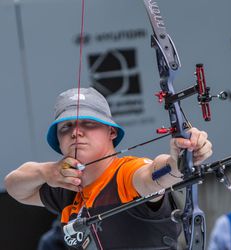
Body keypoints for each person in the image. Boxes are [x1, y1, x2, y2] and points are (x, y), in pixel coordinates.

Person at [4, 87, 212, 250]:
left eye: (88, 123)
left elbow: (156, 176)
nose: (76, 132)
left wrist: (179, 161)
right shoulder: (66, 187)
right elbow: (14, 187)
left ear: (111, 132)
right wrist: (45, 172)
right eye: (66, 127)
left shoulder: (126, 173)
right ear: (58, 141)